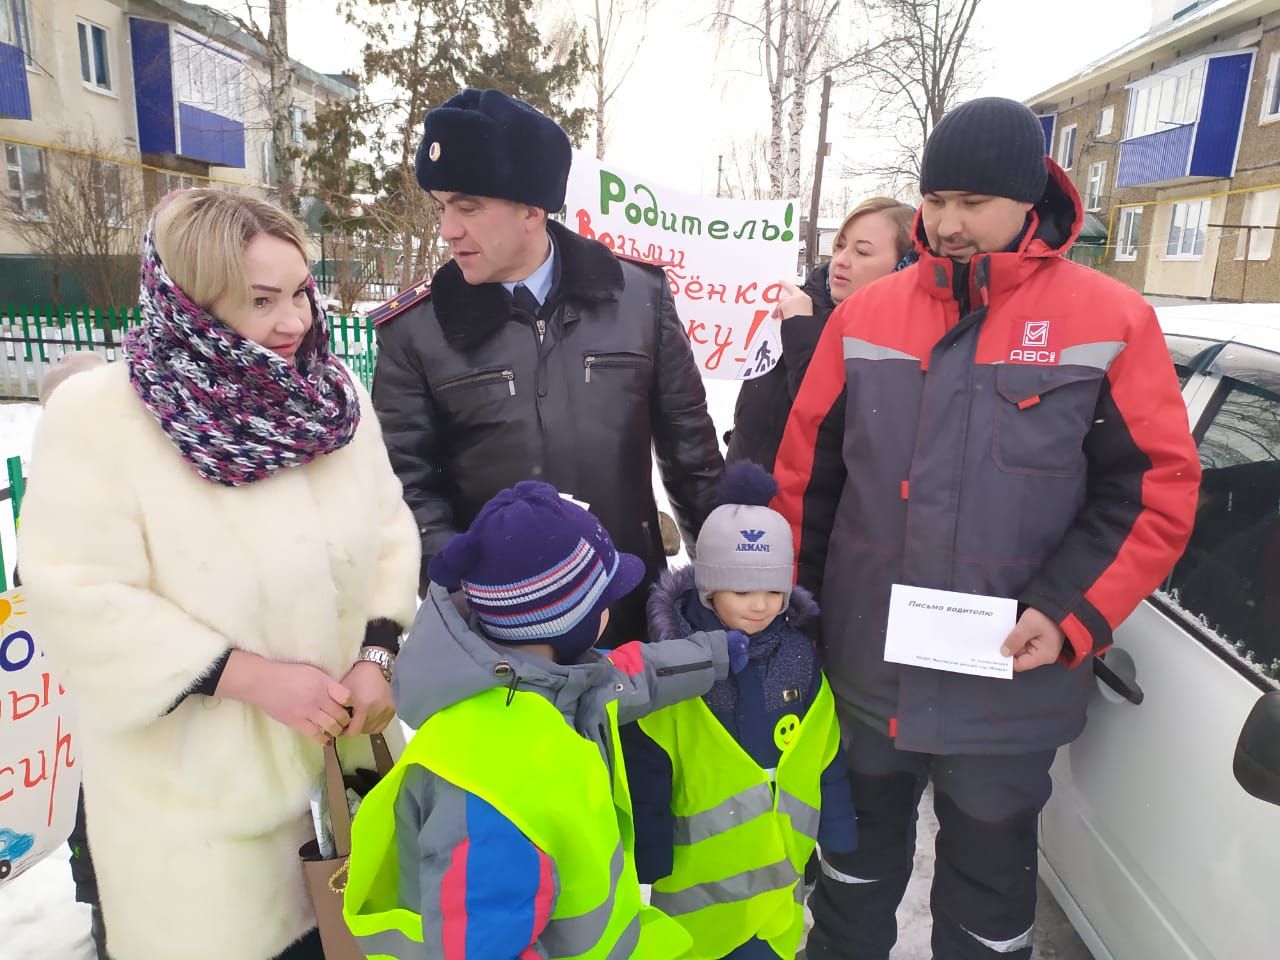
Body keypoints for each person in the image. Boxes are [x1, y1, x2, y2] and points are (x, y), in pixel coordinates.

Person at [772, 97, 1201, 960]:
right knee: (848, 887)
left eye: (971, 202)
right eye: (935, 201)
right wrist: (795, 619)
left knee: (989, 913)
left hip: (1008, 689)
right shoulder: (865, 318)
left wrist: (1069, 610)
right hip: (868, 677)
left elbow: (1154, 491)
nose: (947, 222)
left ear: (1025, 200)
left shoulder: (1110, 321)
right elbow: (805, 485)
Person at [16, 190, 420, 960]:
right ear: (190, 303)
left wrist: (375, 656)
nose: (296, 320)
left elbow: (390, 534)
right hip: (196, 822)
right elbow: (79, 594)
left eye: (300, 290)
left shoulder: (334, 401)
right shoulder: (102, 419)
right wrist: (253, 679)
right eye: (261, 299)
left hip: (345, 787)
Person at [370, 88, 723, 644]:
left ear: (532, 209)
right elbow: (406, 487)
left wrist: (724, 582)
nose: (447, 229)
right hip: (498, 637)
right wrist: (466, 598)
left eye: (468, 207)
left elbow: (693, 459)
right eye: (442, 207)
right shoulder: (414, 329)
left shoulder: (639, 298)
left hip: (630, 619)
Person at [341, 481, 748, 959]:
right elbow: (482, 946)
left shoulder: (548, 677)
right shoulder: (492, 780)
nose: (610, 611)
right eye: (603, 600)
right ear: (564, 621)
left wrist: (713, 654)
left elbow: (634, 674)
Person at [622, 461, 857, 960]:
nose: (760, 606)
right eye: (742, 591)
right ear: (708, 588)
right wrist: (651, 848)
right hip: (698, 882)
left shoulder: (797, 657)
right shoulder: (676, 665)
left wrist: (836, 826)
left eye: (774, 591)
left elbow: (823, 747)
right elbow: (650, 762)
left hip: (779, 874)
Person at [726, 198, 915, 470]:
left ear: (903, 267)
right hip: (743, 493)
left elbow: (831, 418)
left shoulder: (899, 342)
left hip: (813, 509)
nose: (841, 260)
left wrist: (802, 329)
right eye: (840, 246)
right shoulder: (796, 305)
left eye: (862, 252)